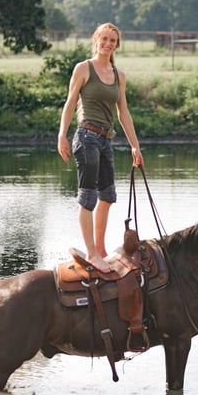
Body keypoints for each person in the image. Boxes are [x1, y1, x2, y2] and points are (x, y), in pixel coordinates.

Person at [57, 22, 144, 273]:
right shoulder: (83, 69)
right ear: (96, 40)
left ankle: (100, 248)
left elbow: (123, 113)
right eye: (104, 39)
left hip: (107, 140)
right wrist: (62, 135)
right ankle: (92, 253)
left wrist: (135, 147)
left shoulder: (119, 75)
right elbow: (70, 102)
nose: (108, 44)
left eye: (112, 41)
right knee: (88, 198)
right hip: (86, 137)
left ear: (117, 45)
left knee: (108, 196)